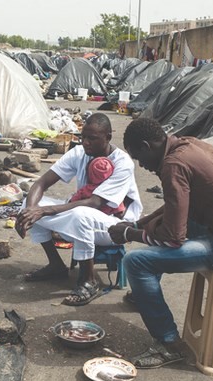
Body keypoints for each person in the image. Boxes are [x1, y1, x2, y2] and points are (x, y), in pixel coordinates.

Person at [109, 118, 213, 368]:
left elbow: (173, 237)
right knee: (161, 227)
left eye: (139, 158)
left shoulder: (173, 165)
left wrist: (128, 235)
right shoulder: (188, 145)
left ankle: (168, 343)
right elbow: (177, 209)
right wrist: (138, 226)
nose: (141, 165)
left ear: (146, 145)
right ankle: (144, 294)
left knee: (136, 262)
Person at [16, 113, 142, 306]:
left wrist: (45, 211)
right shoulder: (79, 153)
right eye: (83, 137)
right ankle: (56, 265)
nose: (85, 142)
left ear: (108, 137)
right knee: (29, 204)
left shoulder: (122, 162)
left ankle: (89, 280)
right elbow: (42, 182)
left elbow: (95, 203)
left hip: (116, 226)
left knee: (79, 214)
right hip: (83, 216)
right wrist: (30, 211)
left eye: (92, 138)